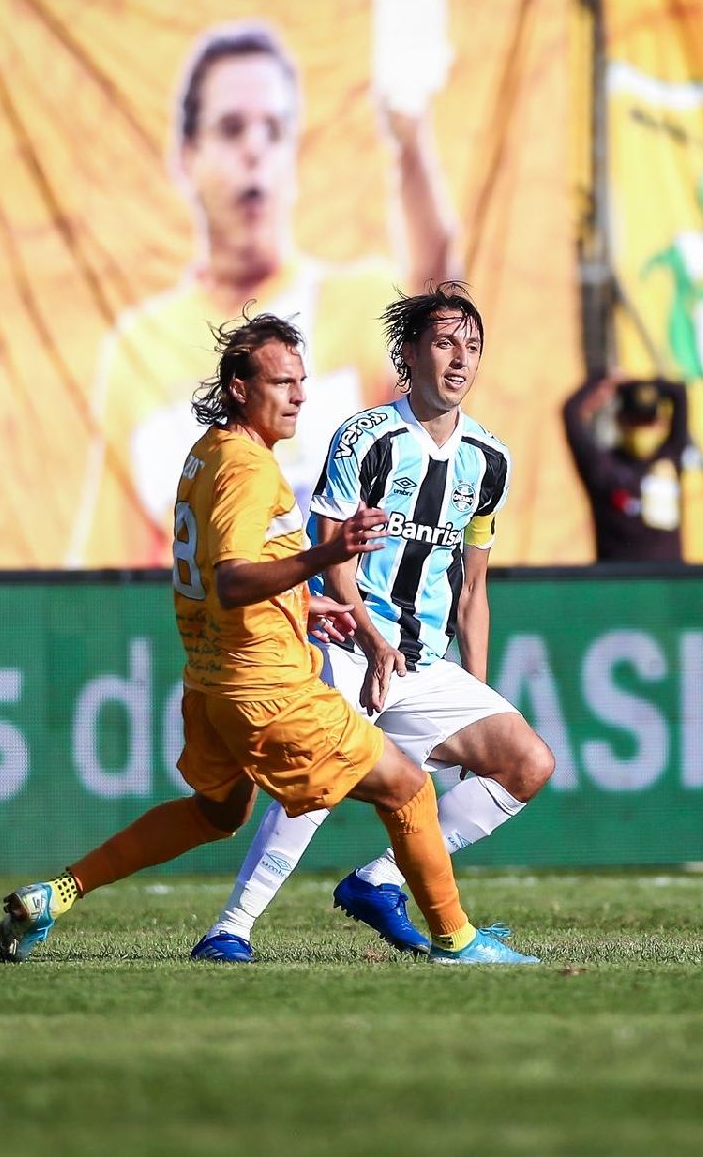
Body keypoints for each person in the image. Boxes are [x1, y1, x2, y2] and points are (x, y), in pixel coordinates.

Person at [0, 312, 536, 966]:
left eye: (301, 381)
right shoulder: (253, 468)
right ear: (239, 388)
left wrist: (302, 604)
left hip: (217, 675)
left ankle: (59, 891)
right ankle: (453, 941)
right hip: (268, 682)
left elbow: (226, 573)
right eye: (283, 383)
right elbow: (231, 578)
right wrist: (321, 567)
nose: (300, 396)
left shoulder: (207, 455)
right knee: (403, 788)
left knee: (216, 814)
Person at [191, 284, 557, 961]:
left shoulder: (489, 459)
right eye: (444, 342)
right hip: (351, 644)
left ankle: (379, 880)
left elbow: (474, 585)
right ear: (409, 354)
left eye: (471, 346)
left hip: (421, 662)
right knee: (321, 781)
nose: (459, 359)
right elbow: (329, 551)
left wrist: (475, 689)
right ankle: (229, 930)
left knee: (527, 763)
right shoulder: (367, 437)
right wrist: (366, 632)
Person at [67, 16, 459, 565]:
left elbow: (439, 310)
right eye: (230, 129)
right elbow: (108, 580)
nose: (255, 149)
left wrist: (411, 139)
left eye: (274, 130)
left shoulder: (362, 303)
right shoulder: (137, 350)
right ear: (187, 157)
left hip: (349, 639)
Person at [562, 373, 689, 562]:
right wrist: (604, 376)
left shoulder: (669, 458)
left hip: (669, 587)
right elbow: (570, 412)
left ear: (661, 424)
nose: (642, 429)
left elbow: (679, 393)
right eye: (635, 422)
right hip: (619, 586)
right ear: (620, 420)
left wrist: (641, 382)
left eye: (649, 422)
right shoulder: (604, 467)